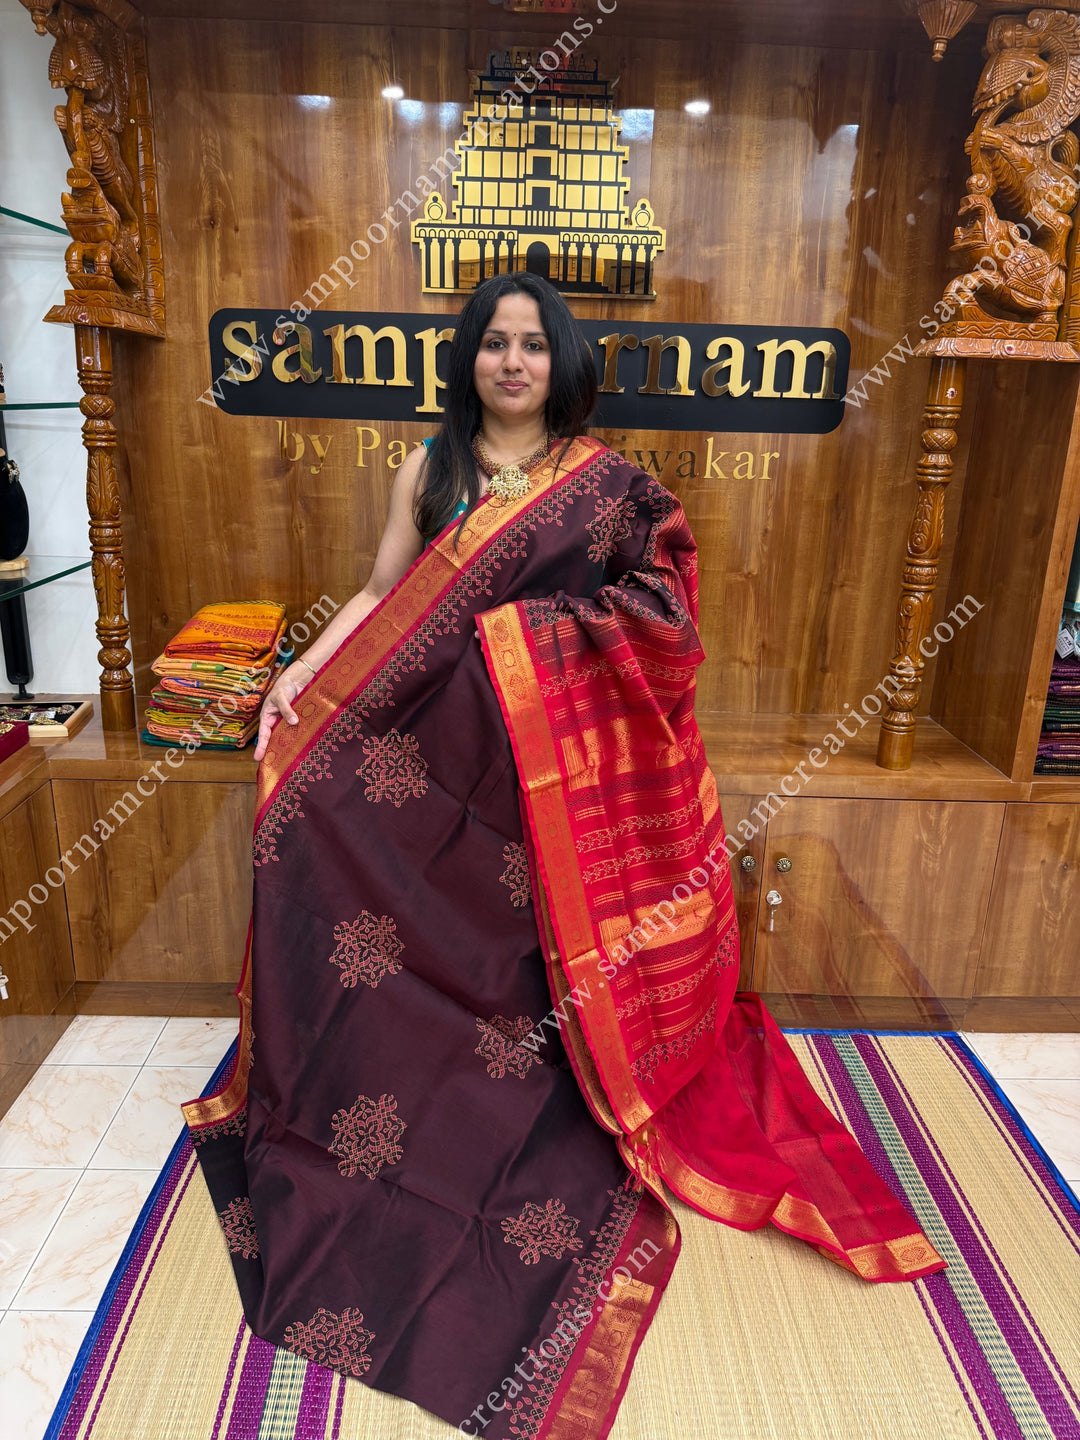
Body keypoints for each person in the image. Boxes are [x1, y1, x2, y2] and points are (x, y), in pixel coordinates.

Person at [183, 273, 945, 1440]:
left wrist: (523, 642)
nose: (513, 362)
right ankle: (357, 1068)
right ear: (470, 358)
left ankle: (536, 1067)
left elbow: (666, 623)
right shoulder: (430, 471)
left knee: (526, 978)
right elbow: (385, 593)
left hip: (538, 799)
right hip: (427, 769)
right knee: (298, 807)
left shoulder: (612, 491)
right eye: (494, 343)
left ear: (562, 361)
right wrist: (301, 672)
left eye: (534, 345)